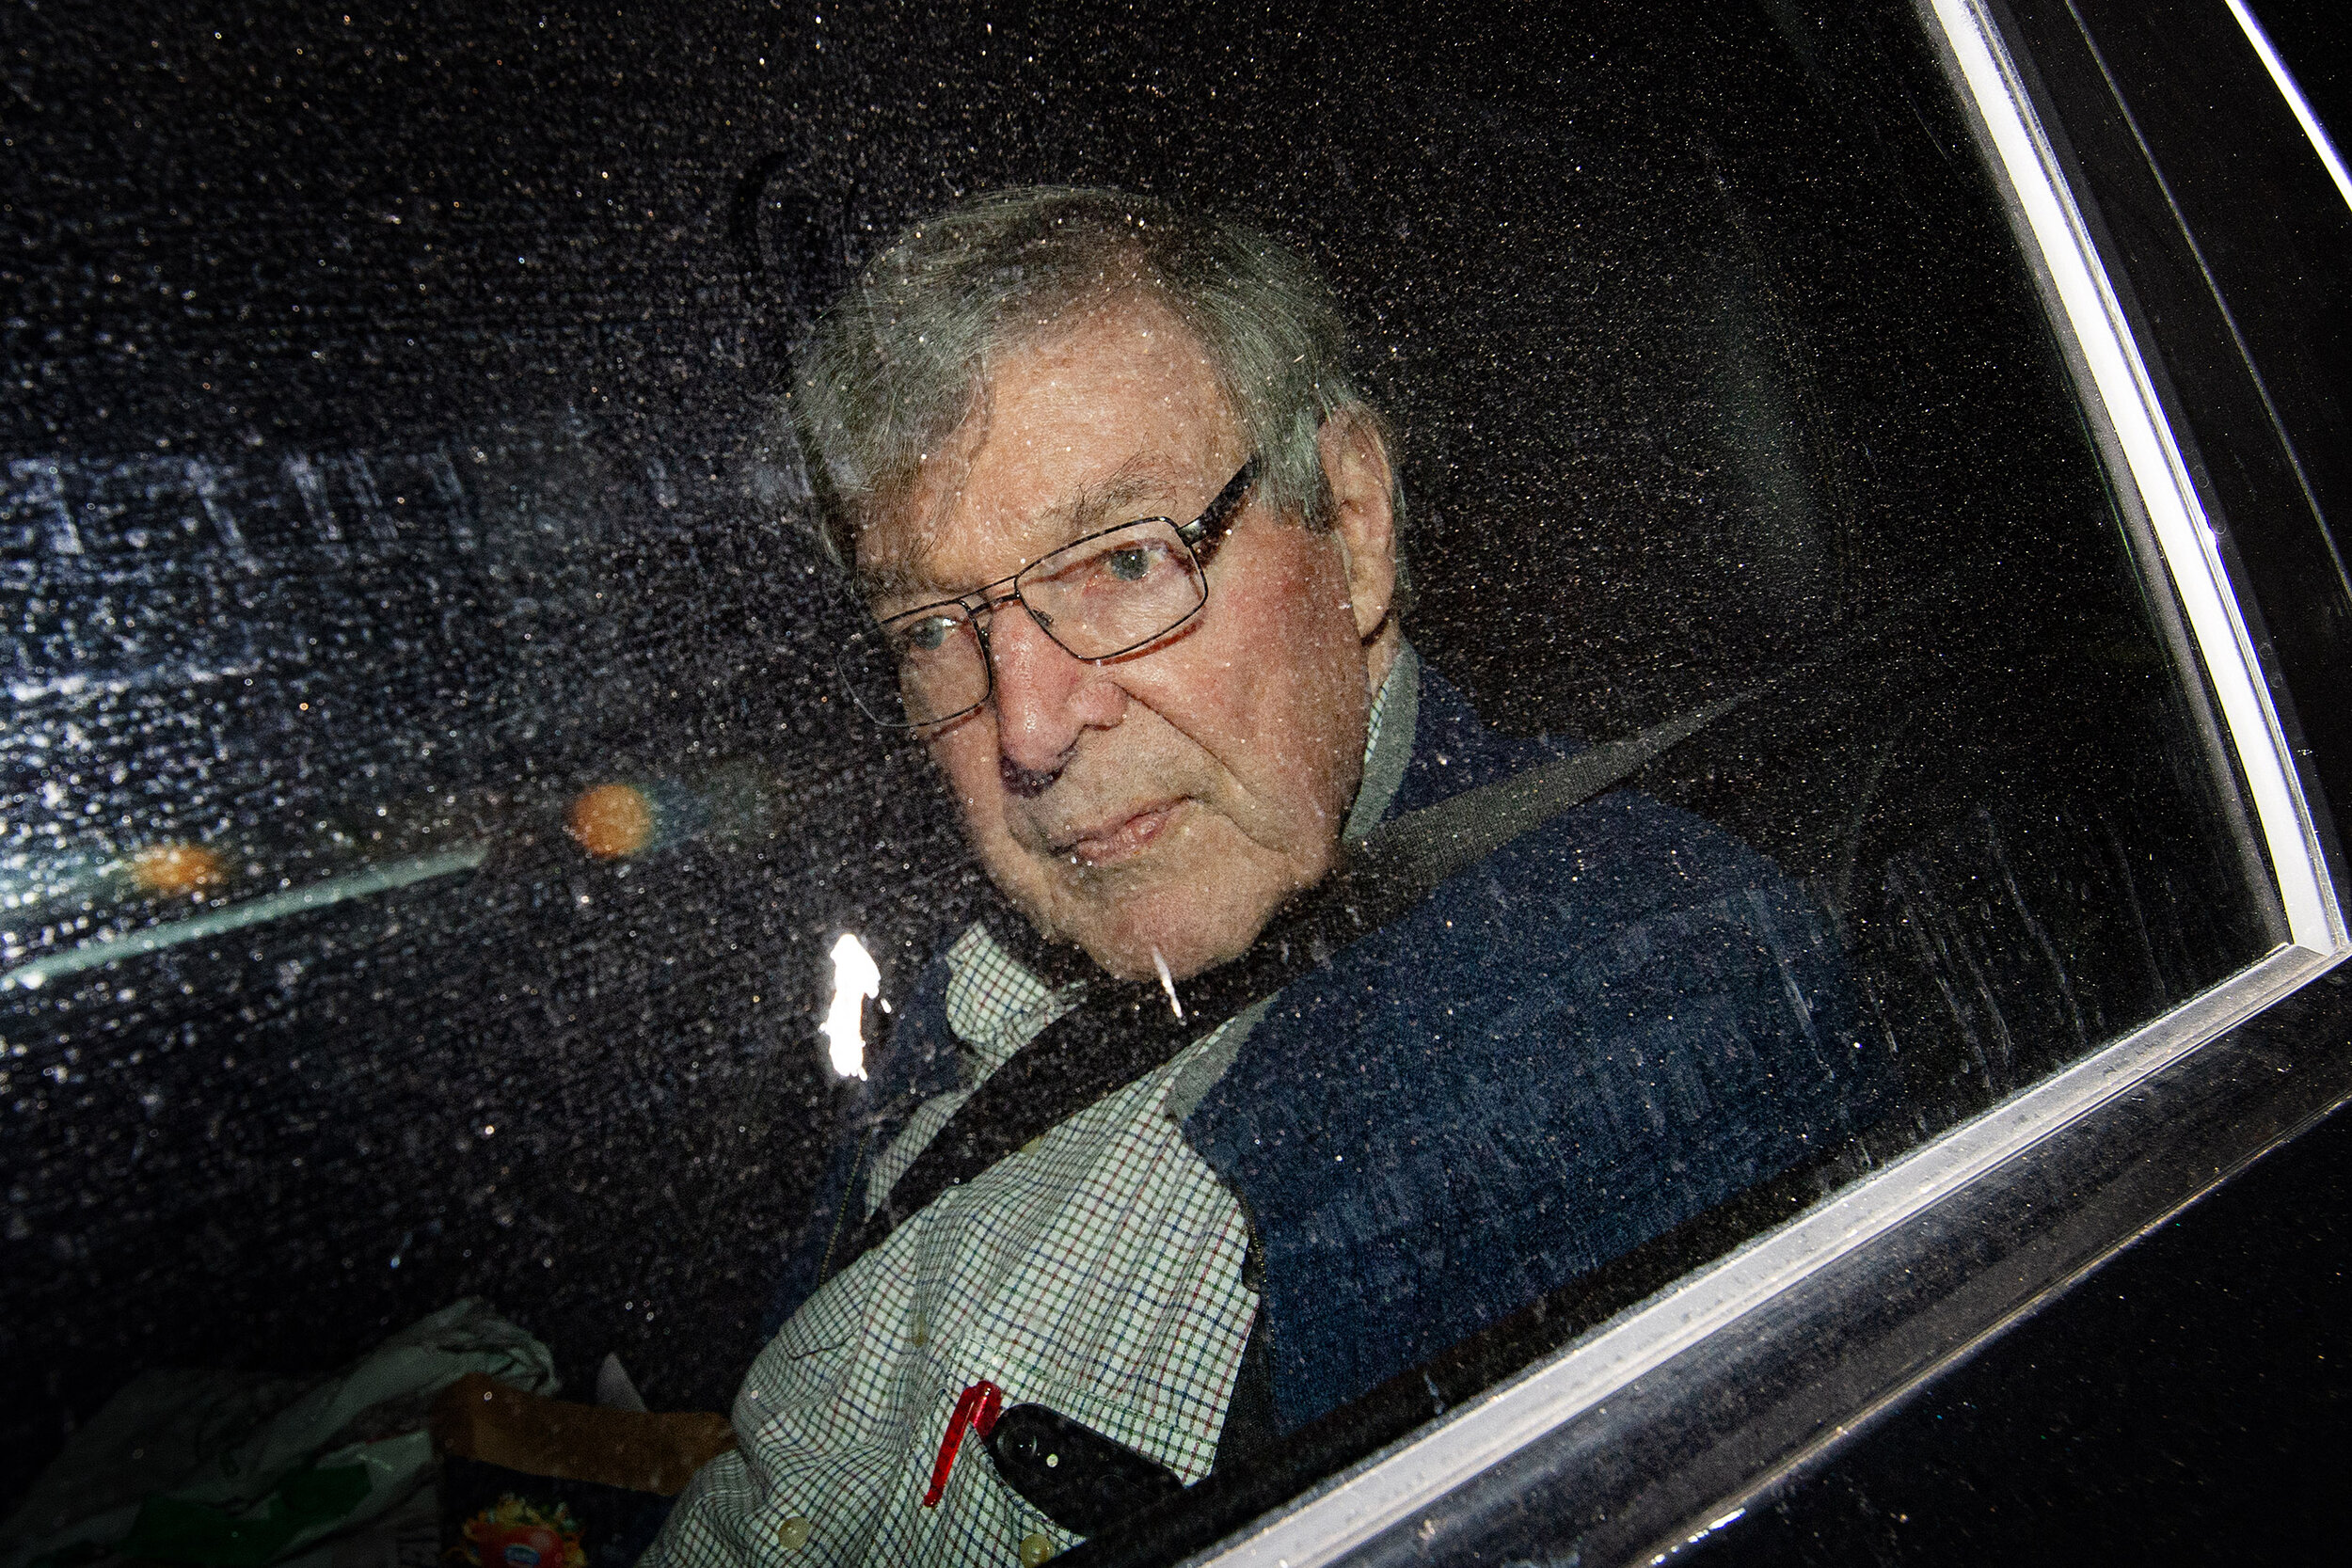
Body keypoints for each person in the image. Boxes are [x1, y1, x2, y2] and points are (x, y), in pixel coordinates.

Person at [647, 185, 1889, 1568]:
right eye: (937, 627)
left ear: (1352, 526)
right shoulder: (979, 982)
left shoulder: (1623, 980)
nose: (1028, 726)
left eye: (1122, 561)